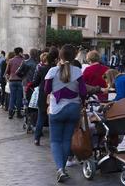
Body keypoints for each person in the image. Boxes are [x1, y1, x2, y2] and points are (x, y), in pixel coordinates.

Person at [45, 44, 87, 183]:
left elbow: (46, 90)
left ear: (59, 56)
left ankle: (60, 170)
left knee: (55, 141)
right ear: (74, 56)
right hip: (73, 108)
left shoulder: (52, 71)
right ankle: (62, 169)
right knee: (66, 140)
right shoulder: (78, 72)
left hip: (56, 109)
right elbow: (83, 92)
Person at [27, 47, 59, 146]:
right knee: (54, 118)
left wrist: (30, 85)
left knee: (41, 116)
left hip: (43, 94)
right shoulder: (57, 69)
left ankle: (37, 138)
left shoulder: (41, 69)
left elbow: (35, 82)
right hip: (54, 94)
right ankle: (54, 140)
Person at [5, 47, 24, 119]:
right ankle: (18, 113)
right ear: (20, 52)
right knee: (19, 97)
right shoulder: (23, 60)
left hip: (12, 80)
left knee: (12, 97)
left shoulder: (10, 60)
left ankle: (10, 113)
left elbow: (7, 72)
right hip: (20, 80)